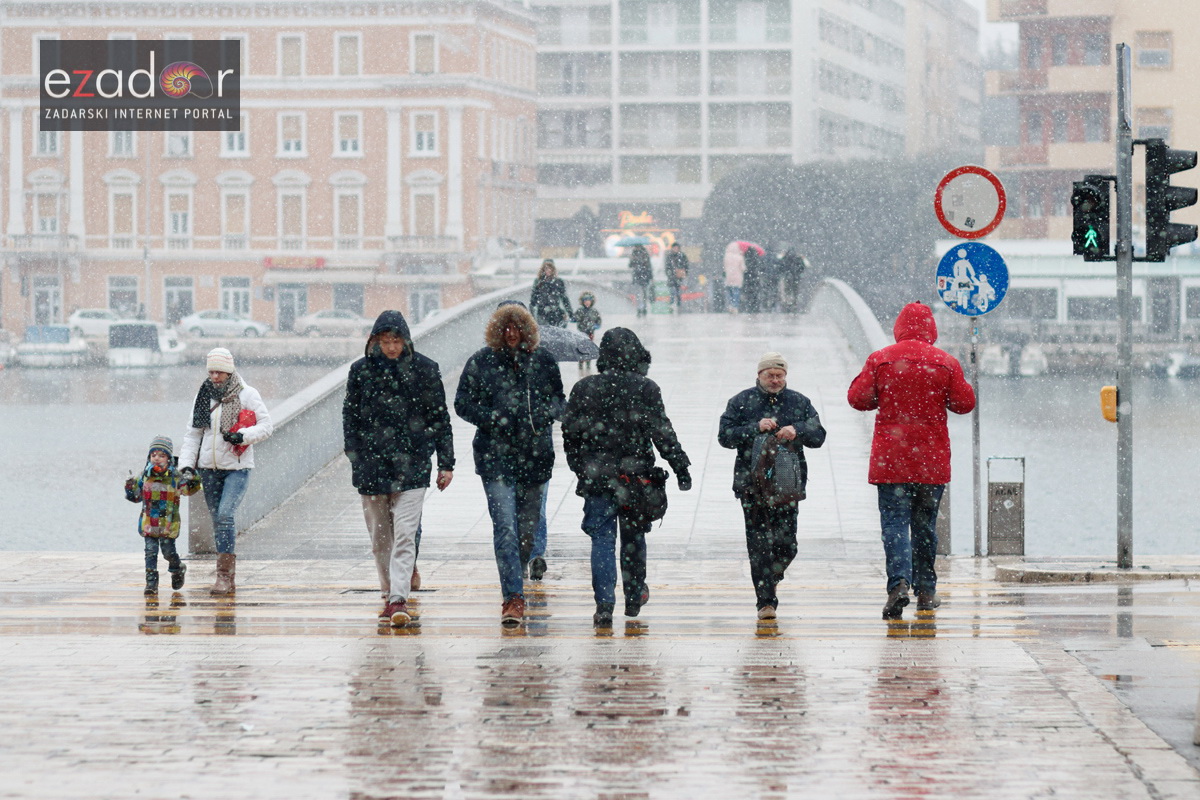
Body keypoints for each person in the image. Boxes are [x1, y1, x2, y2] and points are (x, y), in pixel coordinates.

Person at [847, 302, 976, 620]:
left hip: (891, 462)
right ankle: (926, 591)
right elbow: (964, 403)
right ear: (931, 329)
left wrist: (884, 395)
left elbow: (857, 398)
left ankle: (899, 582)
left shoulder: (881, 359)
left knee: (894, 525)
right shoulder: (945, 362)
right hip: (930, 463)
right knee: (924, 527)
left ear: (899, 327)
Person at [562, 328, 691, 627]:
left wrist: (581, 467)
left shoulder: (584, 389)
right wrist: (680, 466)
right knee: (633, 538)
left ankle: (604, 605)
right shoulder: (645, 388)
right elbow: (662, 430)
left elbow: (570, 433)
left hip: (597, 478)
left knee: (602, 541)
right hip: (635, 478)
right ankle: (633, 597)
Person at [455, 303, 565, 626]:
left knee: (527, 533)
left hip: (535, 457)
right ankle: (513, 598)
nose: (512, 334)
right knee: (505, 527)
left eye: (517, 327)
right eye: (506, 328)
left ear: (527, 328)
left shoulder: (543, 361)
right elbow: (462, 402)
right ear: (497, 330)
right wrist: (492, 418)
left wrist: (545, 414)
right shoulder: (481, 362)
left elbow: (560, 400)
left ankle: (514, 577)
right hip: (496, 458)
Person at [343, 310, 454, 628]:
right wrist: (356, 456)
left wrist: (446, 462)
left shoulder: (424, 370)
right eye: (385, 341)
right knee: (380, 539)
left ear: (405, 341)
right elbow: (349, 416)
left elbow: (439, 418)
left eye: (396, 341)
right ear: (375, 341)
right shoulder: (361, 371)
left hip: (413, 465)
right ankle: (389, 591)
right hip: (372, 467)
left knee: (405, 535)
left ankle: (397, 600)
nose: (391, 347)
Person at [718, 353, 826, 620]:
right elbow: (724, 437)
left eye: (780, 375)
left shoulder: (799, 402)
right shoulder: (741, 402)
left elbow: (819, 436)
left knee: (787, 543)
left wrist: (797, 429)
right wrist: (754, 428)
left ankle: (772, 574)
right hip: (750, 485)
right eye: (770, 375)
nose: (775, 380)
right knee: (758, 543)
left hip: (787, 486)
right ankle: (765, 601)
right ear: (759, 376)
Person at [179, 347, 274, 596]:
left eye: (219, 372)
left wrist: (242, 435)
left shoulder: (247, 394)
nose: (214, 377)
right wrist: (187, 466)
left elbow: (266, 426)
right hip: (208, 469)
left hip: (237, 467)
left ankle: (223, 577)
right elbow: (193, 434)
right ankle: (227, 577)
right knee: (217, 520)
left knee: (225, 515)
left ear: (229, 371)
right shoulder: (203, 396)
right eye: (211, 371)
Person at [124, 435, 202, 596]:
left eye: (161, 455)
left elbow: (190, 490)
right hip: (149, 523)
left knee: (168, 552)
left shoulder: (175, 477)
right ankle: (151, 583)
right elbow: (135, 497)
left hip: (168, 524)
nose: (157, 459)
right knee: (150, 552)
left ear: (168, 458)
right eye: (153, 455)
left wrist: (193, 476)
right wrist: (130, 486)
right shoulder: (144, 475)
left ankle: (177, 568)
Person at [530, 259, 574, 328]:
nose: (548, 270)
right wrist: (532, 316)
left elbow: (564, 298)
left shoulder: (559, 282)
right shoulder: (538, 282)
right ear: (543, 269)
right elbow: (533, 300)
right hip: (542, 314)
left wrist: (570, 313)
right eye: (546, 268)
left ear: (553, 269)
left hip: (556, 314)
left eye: (550, 268)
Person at [573, 291, 602, 375]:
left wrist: (596, 326)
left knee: (589, 348)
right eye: (585, 300)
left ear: (591, 301)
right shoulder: (580, 310)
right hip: (581, 333)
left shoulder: (594, 311)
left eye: (588, 300)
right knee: (580, 348)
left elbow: (598, 321)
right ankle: (581, 364)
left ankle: (588, 365)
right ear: (582, 301)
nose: (587, 302)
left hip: (590, 333)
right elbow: (575, 319)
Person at [628, 244, 653, 317]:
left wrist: (650, 277)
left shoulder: (645, 254)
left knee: (643, 293)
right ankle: (640, 308)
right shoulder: (634, 254)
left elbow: (648, 266)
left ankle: (643, 308)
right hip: (638, 277)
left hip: (644, 277)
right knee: (639, 294)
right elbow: (630, 265)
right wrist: (632, 259)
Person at [665, 242, 689, 311]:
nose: (675, 249)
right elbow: (667, 267)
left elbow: (686, 265)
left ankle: (678, 305)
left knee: (678, 292)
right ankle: (672, 304)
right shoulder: (669, 256)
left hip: (679, 277)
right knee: (672, 291)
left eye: (677, 248)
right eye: (674, 248)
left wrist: (683, 273)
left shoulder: (682, 256)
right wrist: (670, 273)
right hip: (672, 277)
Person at [723, 241, 745, 312]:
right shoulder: (740, 257)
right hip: (737, 277)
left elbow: (724, 267)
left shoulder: (726, 257)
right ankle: (735, 306)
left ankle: (730, 305)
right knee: (736, 291)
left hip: (729, 276)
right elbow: (743, 268)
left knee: (730, 292)